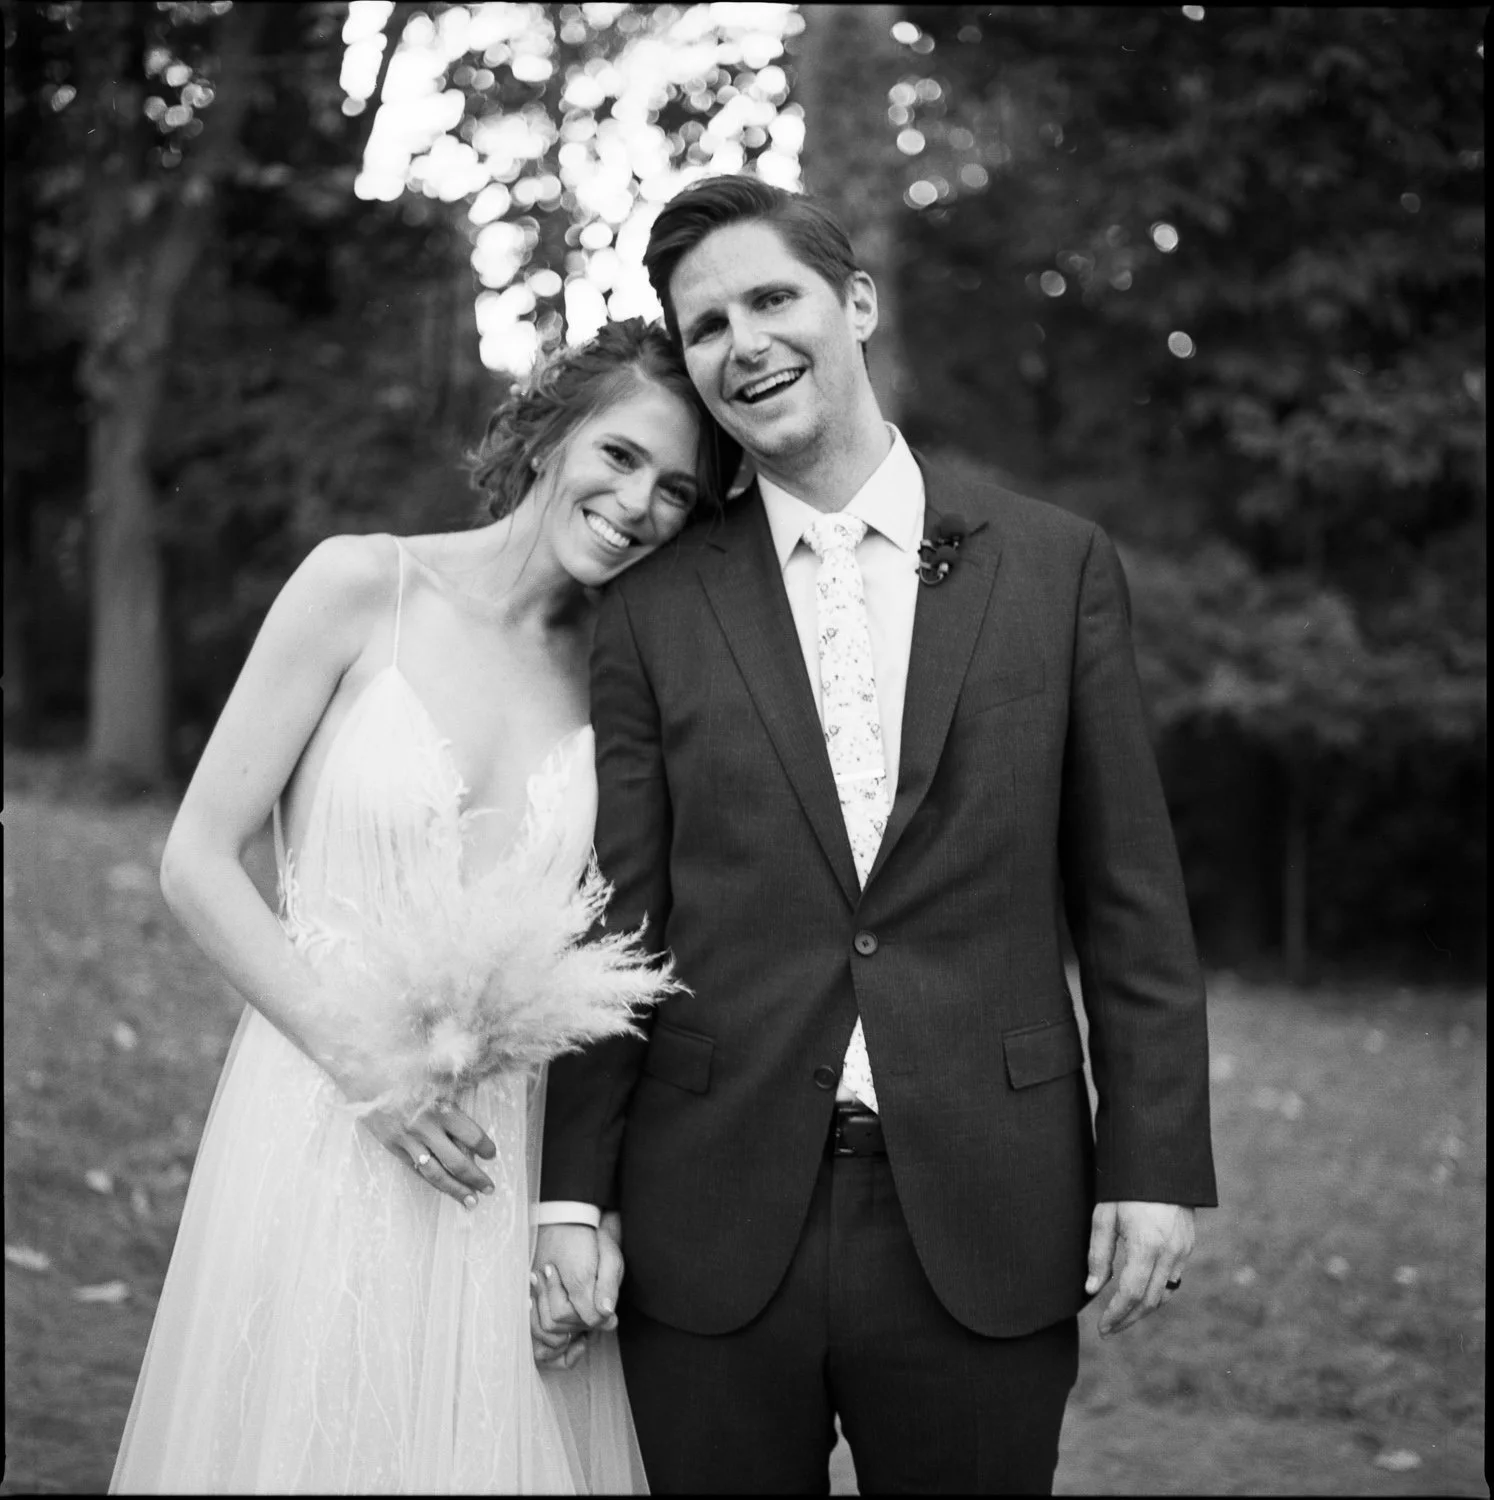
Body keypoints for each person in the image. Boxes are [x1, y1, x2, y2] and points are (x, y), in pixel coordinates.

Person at [529, 175, 1219, 1494]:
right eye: (707, 326)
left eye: (770, 299)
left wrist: (1153, 1163)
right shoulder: (653, 606)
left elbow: (1129, 889)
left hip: (988, 1209)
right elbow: (617, 916)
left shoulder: (1054, 565)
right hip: (710, 1217)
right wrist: (571, 1195)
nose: (744, 343)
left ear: (854, 302)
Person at [109, 316, 738, 1494]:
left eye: (677, 493)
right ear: (551, 434)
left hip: (505, 1159)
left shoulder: (628, 676)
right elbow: (197, 858)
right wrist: (364, 1064)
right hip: (319, 1112)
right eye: (620, 455)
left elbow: (636, 942)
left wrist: (586, 1211)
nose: (638, 504)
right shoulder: (363, 586)